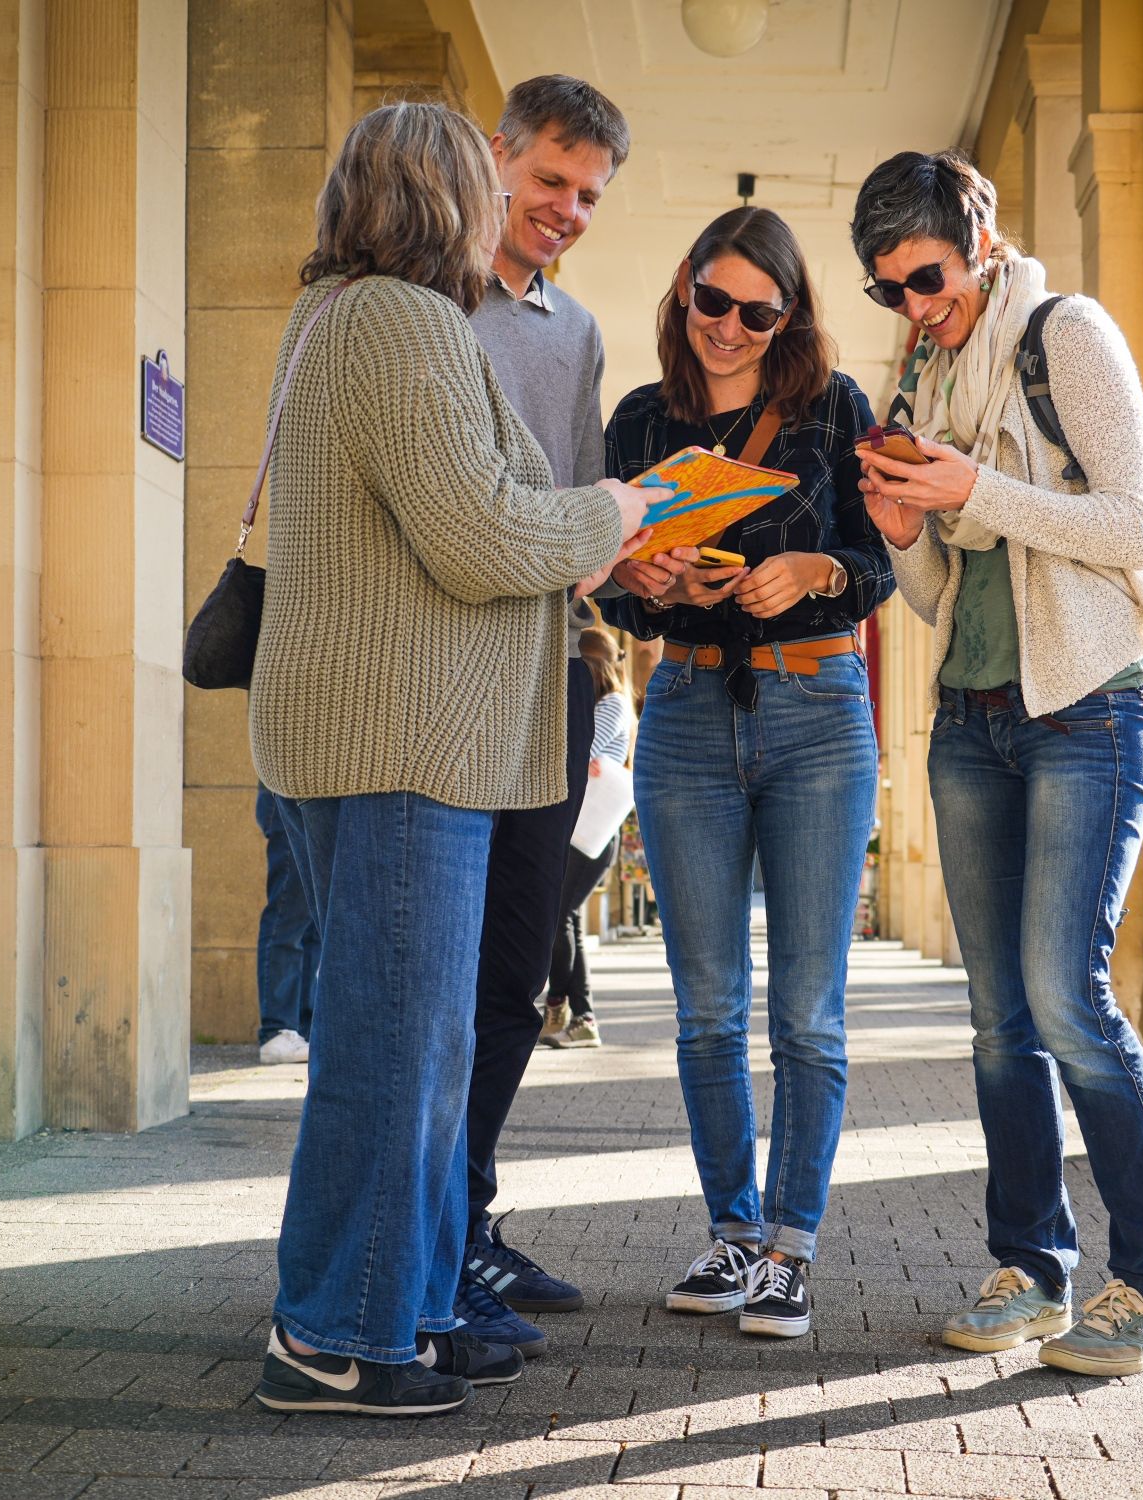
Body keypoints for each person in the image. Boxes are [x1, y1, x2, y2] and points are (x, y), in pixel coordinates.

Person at [247, 101, 656, 1419]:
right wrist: (611, 514)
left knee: (419, 1057)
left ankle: (406, 1310)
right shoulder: (398, 325)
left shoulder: (355, 318)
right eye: (488, 183)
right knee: (387, 1058)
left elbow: (464, 516)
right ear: (440, 195)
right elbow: (479, 537)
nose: (506, 209)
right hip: (401, 745)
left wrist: (581, 523)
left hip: (402, 741)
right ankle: (327, 1336)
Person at [849, 150, 1143, 1376]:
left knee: (1065, 996)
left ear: (978, 239)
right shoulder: (929, 379)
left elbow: (1132, 527)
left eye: (926, 278)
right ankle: (1032, 1268)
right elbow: (944, 587)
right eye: (889, 289)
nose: (913, 305)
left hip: (1089, 707)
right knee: (997, 1020)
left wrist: (976, 487)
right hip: (974, 719)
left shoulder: (1069, 334)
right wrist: (906, 530)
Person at [601, 206, 893, 1340]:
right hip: (681, 710)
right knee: (706, 1010)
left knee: (806, 1016)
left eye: (756, 312)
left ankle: (791, 1249)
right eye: (711, 302)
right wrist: (658, 587)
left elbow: (874, 563)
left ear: (790, 314)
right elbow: (611, 579)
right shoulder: (639, 419)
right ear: (683, 291)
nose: (728, 328)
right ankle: (730, 1238)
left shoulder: (833, 409)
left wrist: (812, 569)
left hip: (817, 709)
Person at [452, 75, 633, 1348]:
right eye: (551, 181)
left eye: (589, 195)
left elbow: (576, 520)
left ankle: (463, 1220)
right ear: (496, 155)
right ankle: (419, 1240)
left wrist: (644, 554)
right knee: (428, 983)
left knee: (516, 976)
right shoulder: (412, 299)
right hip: (436, 682)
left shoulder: (571, 333)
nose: (566, 210)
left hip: (547, 679)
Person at [541, 628, 636, 1049]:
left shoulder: (613, 704)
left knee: (557, 914)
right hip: (579, 827)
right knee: (568, 918)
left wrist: (578, 752)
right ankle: (578, 1016)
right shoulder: (599, 703)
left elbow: (581, 750)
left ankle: (564, 1008)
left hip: (593, 831)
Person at [254, 784, 318, 1065]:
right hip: (289, 791)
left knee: (313, 923)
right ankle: (277, 1028)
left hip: (312, 794)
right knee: (287, 915)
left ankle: (303, 1026)